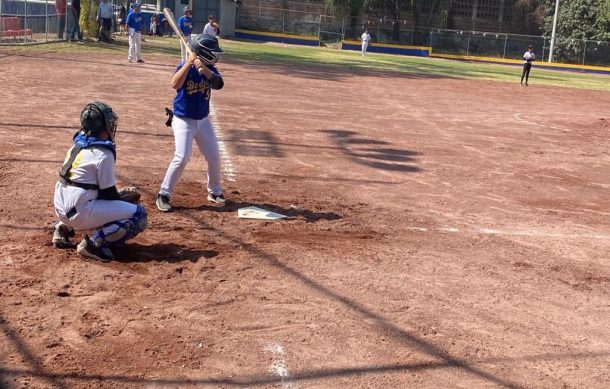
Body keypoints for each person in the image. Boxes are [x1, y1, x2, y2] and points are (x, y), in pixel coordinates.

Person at [52, 102, 148, 262]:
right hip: (80, 212)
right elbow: (108, 194)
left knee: (86, 194)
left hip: (61, 208)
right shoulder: (103, 154)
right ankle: (94, 243)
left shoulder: (77, 146)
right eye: (110, 123)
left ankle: (61, 228)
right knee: (139, 214)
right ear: (103, 127)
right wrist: (122, 198)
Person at [156, 34, 226, 212]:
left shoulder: (211, 68)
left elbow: (218, 84)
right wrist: (188, 64)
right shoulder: (185, 66)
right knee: (182, 157)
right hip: (183, 120)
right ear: (204, 52)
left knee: (214, 156)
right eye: (213, 53)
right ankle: (164, 194)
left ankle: (214, 191)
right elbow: (174, 84)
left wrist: (205, 70)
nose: (216, 56)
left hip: (203, 121)